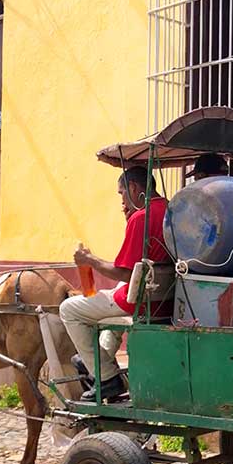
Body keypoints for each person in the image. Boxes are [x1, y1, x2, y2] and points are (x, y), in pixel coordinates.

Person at [60, 166, 170, 401]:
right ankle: (98, 358)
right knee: (114, 294)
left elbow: (122, 272)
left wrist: (89, 260)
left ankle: (107, 377)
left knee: (69, 309)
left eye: (121, 193)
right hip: (166, 299)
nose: (122, 198)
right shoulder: (170, 208)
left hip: (142, 303)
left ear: (133, 188)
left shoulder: (142, 217)